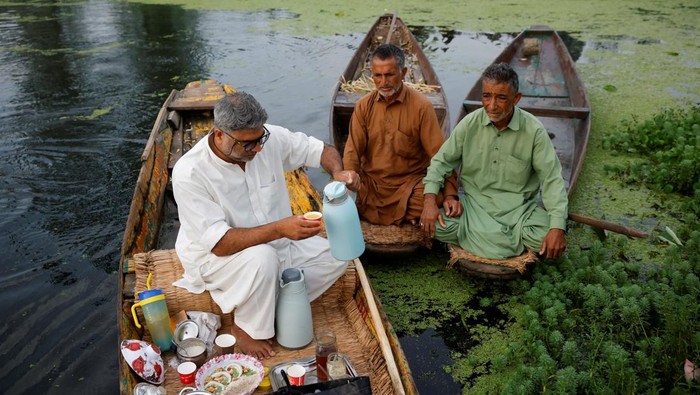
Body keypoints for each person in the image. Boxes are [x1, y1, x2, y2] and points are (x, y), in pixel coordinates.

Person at [171, 92, 360, 360]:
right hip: (216, 258)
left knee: (340, 255)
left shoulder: (265, 139)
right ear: (219, 134)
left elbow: (321, 150)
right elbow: (220, 244)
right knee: (263, 257)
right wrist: (280, 229)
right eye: (247, 144)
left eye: (260, 139)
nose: (258, 149)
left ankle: (272, 303)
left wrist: (338, 172)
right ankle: (246, 327)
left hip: (277, 244)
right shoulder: (189, 172)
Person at [422, 62, 568, 260]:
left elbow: (552, 180)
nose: (491, 105)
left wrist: (558, 227)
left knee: (547, 236)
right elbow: (441, 163)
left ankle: (478, 240)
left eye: (501, 97)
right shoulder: (470, 123)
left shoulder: (535, 131)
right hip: (474, 207)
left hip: (519, 212)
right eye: (486, 96)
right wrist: (430, 201)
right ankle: (500, 242)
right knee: (432, 224)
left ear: (516, 99)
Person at [343, 43, 461, 226]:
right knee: (339, 196)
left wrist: (450, 195)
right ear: (371, 75)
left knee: (433, 198)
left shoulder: (422, 106)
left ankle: (393, 212)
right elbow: (353, 151)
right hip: (373, 185)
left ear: (403, 72)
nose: (383, 82)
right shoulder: (363, 106)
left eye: (389, 75)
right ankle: (406, 217)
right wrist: (349, 178)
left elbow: (439, 157)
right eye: (377, 76)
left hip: (410, 186)